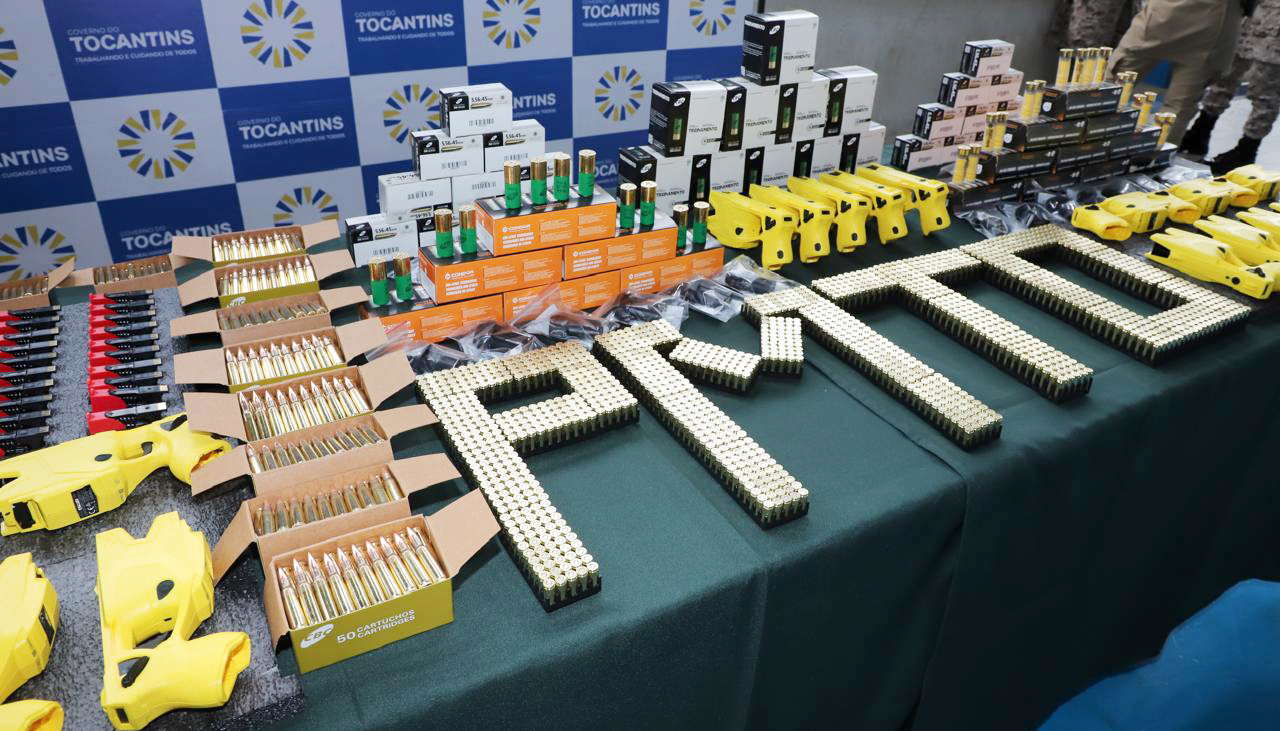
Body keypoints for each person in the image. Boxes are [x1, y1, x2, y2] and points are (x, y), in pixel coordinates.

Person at [1107, 0, 1248, 145]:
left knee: (1112, 87)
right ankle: (1156, 154)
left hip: (1163, 16)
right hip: (1215, 23)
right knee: (1178, 108)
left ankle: (1095, 140)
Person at [1181, 0, 1280, 173]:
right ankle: (1200, 132)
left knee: (1265, 92)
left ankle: (1246, 151)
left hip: (1275, 32)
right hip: (1251, 17)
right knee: (1225, 76)